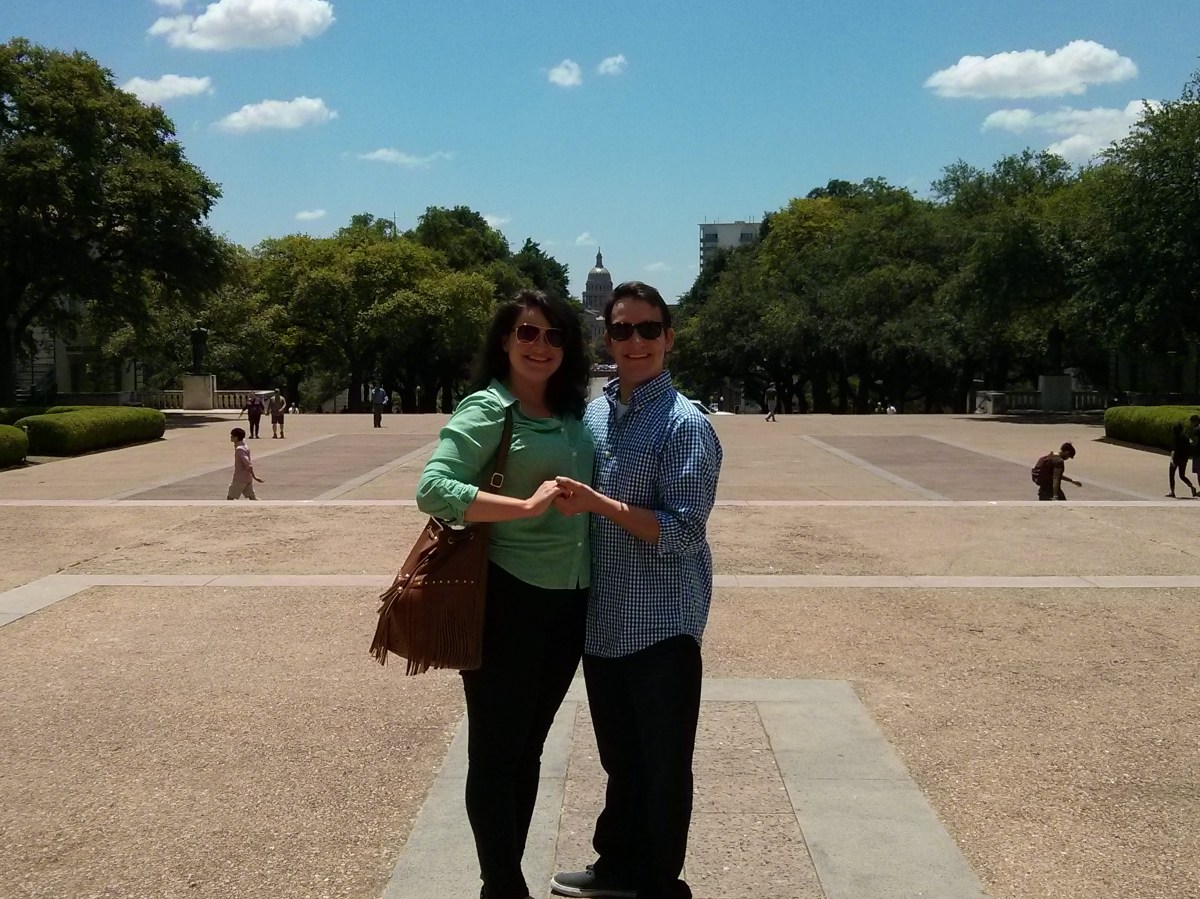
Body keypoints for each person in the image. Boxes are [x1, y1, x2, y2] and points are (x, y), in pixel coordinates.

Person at [415, 289, 593, 899]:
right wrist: (523, 506)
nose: (541, 346)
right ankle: (503, 885)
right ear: (504, 341)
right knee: (496, 750)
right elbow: (433, 488)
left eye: (554, 335)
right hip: (508, 597)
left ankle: (504, 876)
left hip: (569, 598)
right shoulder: (489, 408)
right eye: (528, 333)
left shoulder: (572, 413)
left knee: (529, 747)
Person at [550, 281, 723, 899]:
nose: (635, 341)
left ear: (669, 337)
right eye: (622, 329)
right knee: (621, 757)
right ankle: (618, 866)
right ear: (607, 338)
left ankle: (658, 880)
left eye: (648, 329)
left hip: (662, 620)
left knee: (663, 763)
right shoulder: (596, 414)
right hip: (604, 618)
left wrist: (598, 503)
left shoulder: (686, 425)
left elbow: (682, 530)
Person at [227, 427, 263, 500]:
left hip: (240, 479)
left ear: (236, 438)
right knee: (253, 498)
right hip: (247, 478)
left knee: (230, 498)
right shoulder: (244, 446)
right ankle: (265, 505)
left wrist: (255, 477)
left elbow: (248, 464)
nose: (231, 437)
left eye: (232, 436)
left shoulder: (239, 449)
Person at [1166, 422, 1197, 498]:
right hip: (1184, 458)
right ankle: (1192, 487)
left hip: (1176, 458)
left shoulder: (1176, 437)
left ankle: (1172, 492)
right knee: (1182, 476)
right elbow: (1191, 443)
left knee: (1171, 475)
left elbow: (1174, 449)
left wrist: (1171, 459)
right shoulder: (1186, 437)